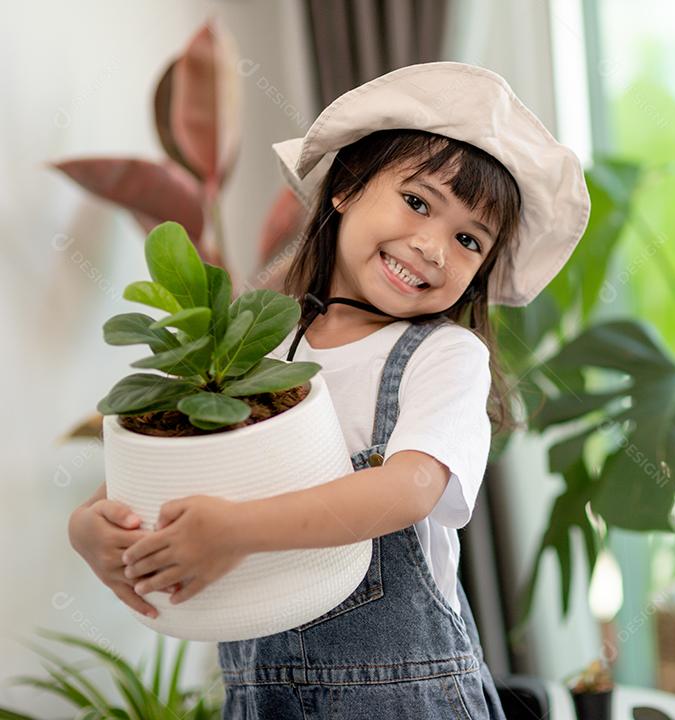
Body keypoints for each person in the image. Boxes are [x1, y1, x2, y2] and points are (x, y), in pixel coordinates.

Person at [66, 61, 590, 718]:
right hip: (261, 697)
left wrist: (237, 530)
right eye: (418, 201)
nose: (432, 247)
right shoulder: (254, 344)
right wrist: (91, 527)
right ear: (345, 187)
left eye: (468, 239)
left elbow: (407, 490)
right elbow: (158, 464)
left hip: (405, 698)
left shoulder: (443, 355)